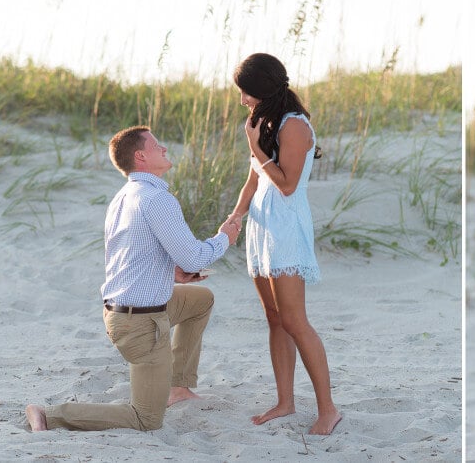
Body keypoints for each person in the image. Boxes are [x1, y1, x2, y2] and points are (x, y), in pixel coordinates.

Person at [25, 125, 240, 432]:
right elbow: (195, 257)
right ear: (141, 156)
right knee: (146, 419)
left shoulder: (125, 196)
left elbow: (133, 253)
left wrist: (173, 272)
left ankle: (178, 387)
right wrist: (225, 238)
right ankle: (49, 414)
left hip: (123, 311)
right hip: (140, 324)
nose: (164, 149)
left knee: (201, 299)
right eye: (157, 146)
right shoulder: (156, 199)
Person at [224, 53, 341, 436]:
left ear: (261, 88)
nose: (242, 99)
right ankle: (285, 401)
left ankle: (328, 410)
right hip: (261, 224)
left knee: (294, 320)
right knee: (274, 318)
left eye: (245, 91)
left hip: (286, 225)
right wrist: (237, 215)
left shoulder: (294, 126)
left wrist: (255, 146)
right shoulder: (265, 122)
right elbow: (255, 179)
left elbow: (287, 185)